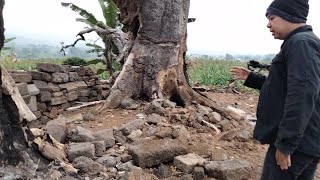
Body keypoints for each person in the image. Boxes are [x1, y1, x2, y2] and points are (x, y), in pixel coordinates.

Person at [231, 0, 320, 179]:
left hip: (297, 145)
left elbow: (301, 94)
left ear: (290, 16)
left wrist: (286, 144)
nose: (268, 24)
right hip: (307, 140)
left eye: (272, 18)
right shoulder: (301, 42)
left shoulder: (300, 43)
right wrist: (252, 78)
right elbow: (286, 88)